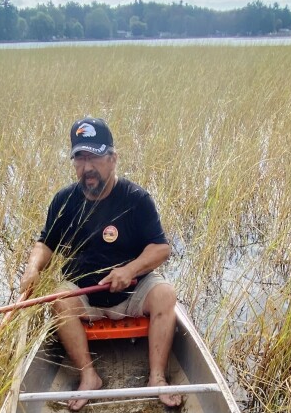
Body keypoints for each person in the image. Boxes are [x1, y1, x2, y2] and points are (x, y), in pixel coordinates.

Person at [19, 117, 181, 411]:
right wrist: (32, 269)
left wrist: (130, 270)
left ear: (113, 158)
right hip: (85, 298)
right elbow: (45, 244)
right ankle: (88, 376)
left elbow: (161, 248)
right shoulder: (64, 201)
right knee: (58, 299)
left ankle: (156, 377)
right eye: (80, 158)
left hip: (133, 292)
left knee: (166, 294)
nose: (87, 167)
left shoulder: (136, 199)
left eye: (94, 156)